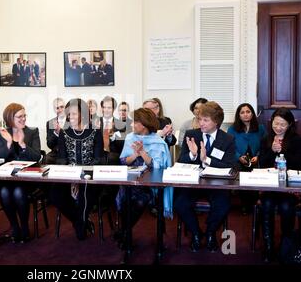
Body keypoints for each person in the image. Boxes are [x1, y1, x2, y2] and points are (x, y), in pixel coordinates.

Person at [174, 101, 236, 252]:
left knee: (223, 205)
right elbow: (181, 161)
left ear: (216, 122)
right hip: (193, 182)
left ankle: (210, 232)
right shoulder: (192, 135)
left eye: (205, 120)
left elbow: (230, 165)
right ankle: (196, 233)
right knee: (180, 204)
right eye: (200, 119)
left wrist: (206, 159)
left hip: (216, 184)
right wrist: (192, 154)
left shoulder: (227, 139)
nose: (201, 123)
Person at [114, 108, 172, 248]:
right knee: (126, 197)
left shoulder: (158, 142)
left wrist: (142, 152)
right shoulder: (130, 137)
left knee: (140, 199)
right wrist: (135, 155)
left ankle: (124, 232)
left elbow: (157, 167)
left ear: (144, 125)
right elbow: (123, 161)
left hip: (150, 184)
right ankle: (125, 232)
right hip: (130, 180)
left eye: (135, 122)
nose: (132, 124)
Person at [50, 98, 104, 240]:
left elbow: (98, 159)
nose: (70, 117)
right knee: (55, 193)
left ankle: (80, 226)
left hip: (90, 176)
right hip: (69, 174)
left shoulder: (95, 131)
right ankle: (80, 221)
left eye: (74, 114)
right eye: (69, 114)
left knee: (85, 190)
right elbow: (61, 159)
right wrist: (72, 178)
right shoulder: (64, 132)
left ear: (84, 114)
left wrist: (81, 177)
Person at [258, 107, 301, 262]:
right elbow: (261, 166)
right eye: (276, 124)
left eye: (282, 125)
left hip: (289, 188)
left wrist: (282, 154)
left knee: (286, 207)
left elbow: (299, 165)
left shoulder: (297, 141)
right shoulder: (266, 139)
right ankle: (269, 247)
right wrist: (272, 150)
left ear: (290, 124)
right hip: (270, 187)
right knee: (267, 205)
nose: (278, 128)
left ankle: (286, 246)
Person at [0, 103, 41, 243]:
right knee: (3, 192)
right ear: (10, 118)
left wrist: (23, 145)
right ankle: (15, 227)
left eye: (24, 115)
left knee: (18, 192)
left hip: (27, 177)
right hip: (9, 177)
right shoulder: (3, 133)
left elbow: (36, 157)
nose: (23, 119)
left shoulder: (32, 132)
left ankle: (25, 227)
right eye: (19, 117)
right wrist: (9, 143)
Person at [227, 103, 266, 214]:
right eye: (242, 112)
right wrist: (239, 157)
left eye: (248, 112)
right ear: (238, 115)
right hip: (238, 160)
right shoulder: (232, 129)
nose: (245, 114)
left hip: (255, 159)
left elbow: (265, 145)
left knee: (254, 172)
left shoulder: (260, 128)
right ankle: (245, 204)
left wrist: (258, 156)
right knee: (242, 172)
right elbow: (229, 147)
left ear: (252, 114)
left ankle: (253, 203)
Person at [100, 96, 126, 165]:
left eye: (109, 108)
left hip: (114, 157)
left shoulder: (121, 125)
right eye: (104, 107)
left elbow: (122, 145)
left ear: (113, 109)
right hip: (98, 156)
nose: (106, 110)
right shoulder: (94, 123)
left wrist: (113, 135)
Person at [46, 98, 68, 164]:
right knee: (46, 159)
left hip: (69, 152)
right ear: (54, 110)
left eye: (62, 107)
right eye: (57, 108)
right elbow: (49, 145)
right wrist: (56, 133)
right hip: (56, 153)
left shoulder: (72, 120)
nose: (60, 110)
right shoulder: (50, 123)